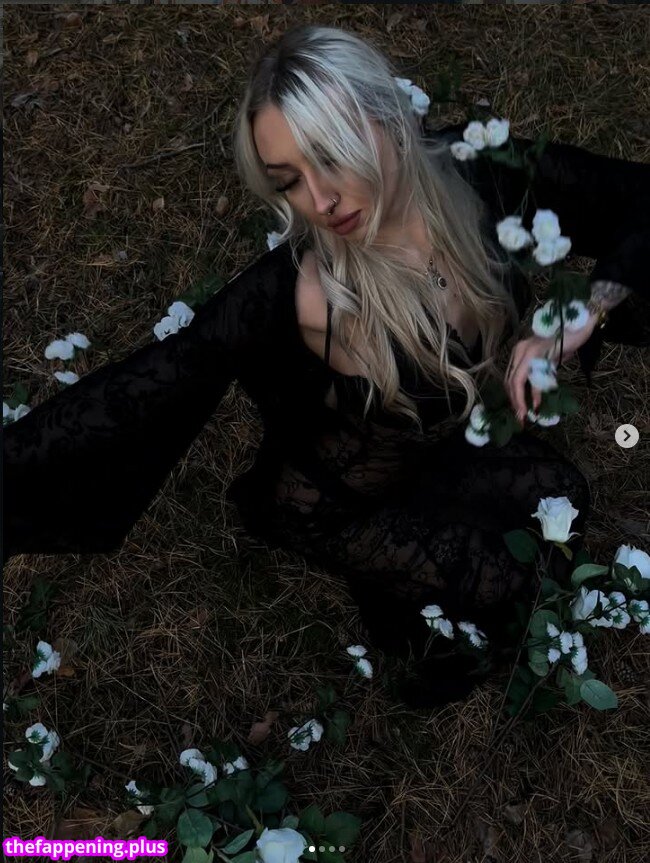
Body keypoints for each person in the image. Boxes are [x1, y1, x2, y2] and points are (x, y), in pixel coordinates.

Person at [3, 25, 649, 708]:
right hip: (334, 500)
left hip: (436, 444)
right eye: (290, 181)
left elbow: (636, 199)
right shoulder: (300, 295)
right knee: (500, 585)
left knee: (562, 495)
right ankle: (394, 611)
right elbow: (133, 396)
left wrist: (583, 312)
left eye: (331, 157)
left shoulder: (478, 172)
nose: (320, 201)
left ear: (390, 120)